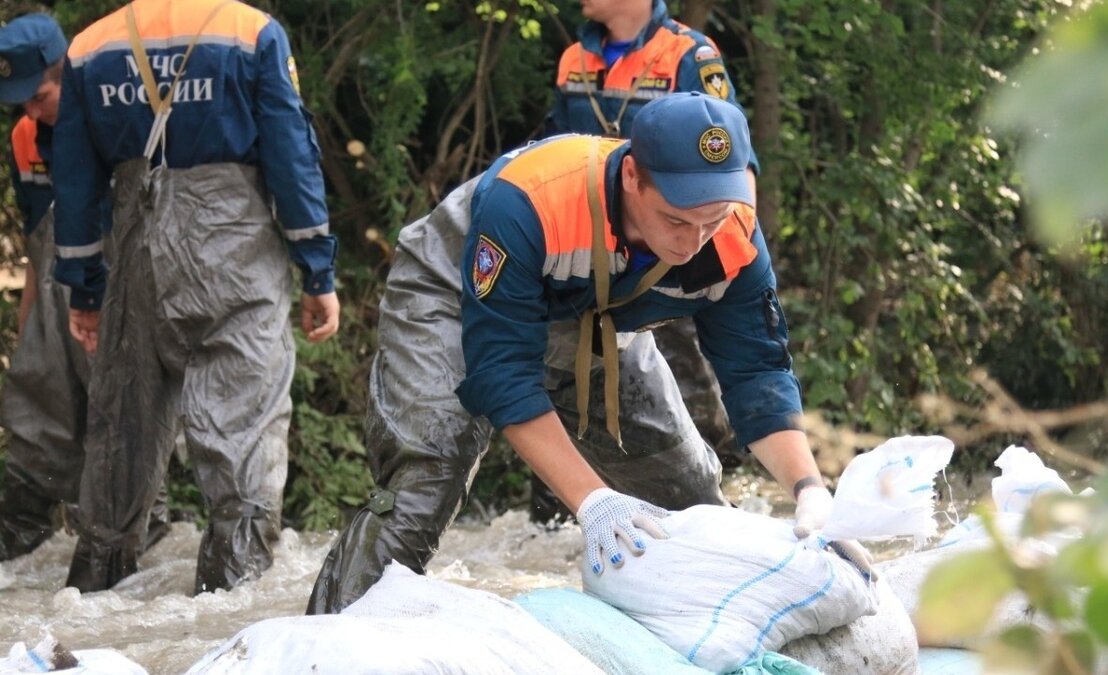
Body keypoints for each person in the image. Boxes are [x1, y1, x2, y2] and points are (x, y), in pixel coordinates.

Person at [308, 92, 857, 615]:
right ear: (633, 176)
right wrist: (592, 500)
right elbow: (503, 371)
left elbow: (756, 369)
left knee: (689, 500)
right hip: (450, 296)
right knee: (429, 475)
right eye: (675, 220)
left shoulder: (732, 233)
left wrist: (809, 489)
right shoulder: (528, 199)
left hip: (598, 319)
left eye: (709, 222)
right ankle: (329, 640)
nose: (692, 243)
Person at [52, 0, 340, 594]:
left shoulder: (89, 47)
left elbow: (75, 182)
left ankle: (94, 598)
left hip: (138, 256)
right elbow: (290, 155)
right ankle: (231, 612)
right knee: (244, 428)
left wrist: (84, 291)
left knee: (122, 426)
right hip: (235, 253)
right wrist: (317, 271)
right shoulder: (251, 31)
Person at [531, 0, 752, 522]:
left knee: (682, 376)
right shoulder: (573, 58)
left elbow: (734, 168)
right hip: (586, 252)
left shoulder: (688, 54)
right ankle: (556, 515)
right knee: (558, 368)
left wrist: (726, 254)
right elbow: (550, 145)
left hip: (668, 255)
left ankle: (708, 500)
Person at [0, 13, 170, 561]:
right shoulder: (25, 136)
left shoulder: (113, 115)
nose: (30, 109)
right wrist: (30, 325)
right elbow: (36, 238)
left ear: (65, 75)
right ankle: (24, 529)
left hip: (118, 290)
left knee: (121, 415)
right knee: (39, 408)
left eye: (39, 94)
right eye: (18, 99)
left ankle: (147, 533)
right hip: (56, 298)